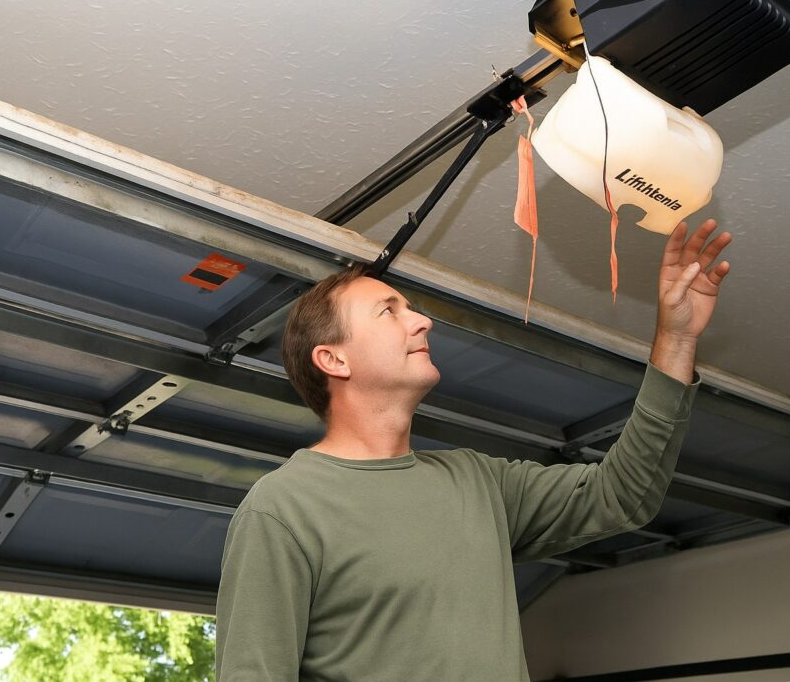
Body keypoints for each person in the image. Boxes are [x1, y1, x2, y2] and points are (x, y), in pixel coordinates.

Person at [216, 219, 733, 681]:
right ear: (334, 360)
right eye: (388, 311)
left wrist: (677, 339)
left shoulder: (478, 481)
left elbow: (622, 494)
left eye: (410, 309)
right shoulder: (283, 509)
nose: (422, 321)